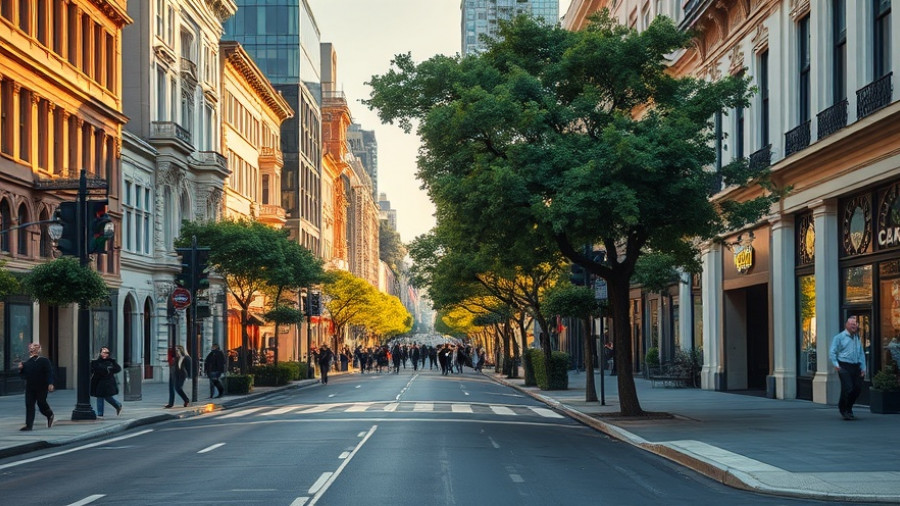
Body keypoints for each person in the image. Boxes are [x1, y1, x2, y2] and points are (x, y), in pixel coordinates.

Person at [830, 317, 866, 420]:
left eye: (855, 324)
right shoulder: (839, 337)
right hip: (844, 366)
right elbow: (832, 352)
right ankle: (844, 409)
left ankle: (849, 407)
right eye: (851, 324)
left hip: (856, 366)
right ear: (847, 325)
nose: (854, 326)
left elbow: (861, 353)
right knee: (848, 388)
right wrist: (836, 365)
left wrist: (863, 367)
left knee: (857, 388)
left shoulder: (857, 337)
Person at [18, 343, 55, 431]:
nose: (33, 349)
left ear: (39, 350)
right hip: (30, 387)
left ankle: (49, 414)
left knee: (41, 403)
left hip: (42, 386)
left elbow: (49, 372)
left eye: (35, 348)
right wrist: (20, 369)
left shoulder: (44, 361)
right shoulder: (27, 363)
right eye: (31, 348)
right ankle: (29, 425)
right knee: (29, 404)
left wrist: (50, 383)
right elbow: (23, 376)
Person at [90, 347, 122, 417]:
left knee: (106, 397)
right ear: (100, 353)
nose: (105, 354)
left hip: (108, 382)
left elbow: (118, 369)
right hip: (98, 382)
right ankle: (100, 414)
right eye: (103, 352)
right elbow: (93, 370)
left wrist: (110, 368)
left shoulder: (111, 362)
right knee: (100, 397)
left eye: (107, 353)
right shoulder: (96, 362)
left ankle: (117, 405)